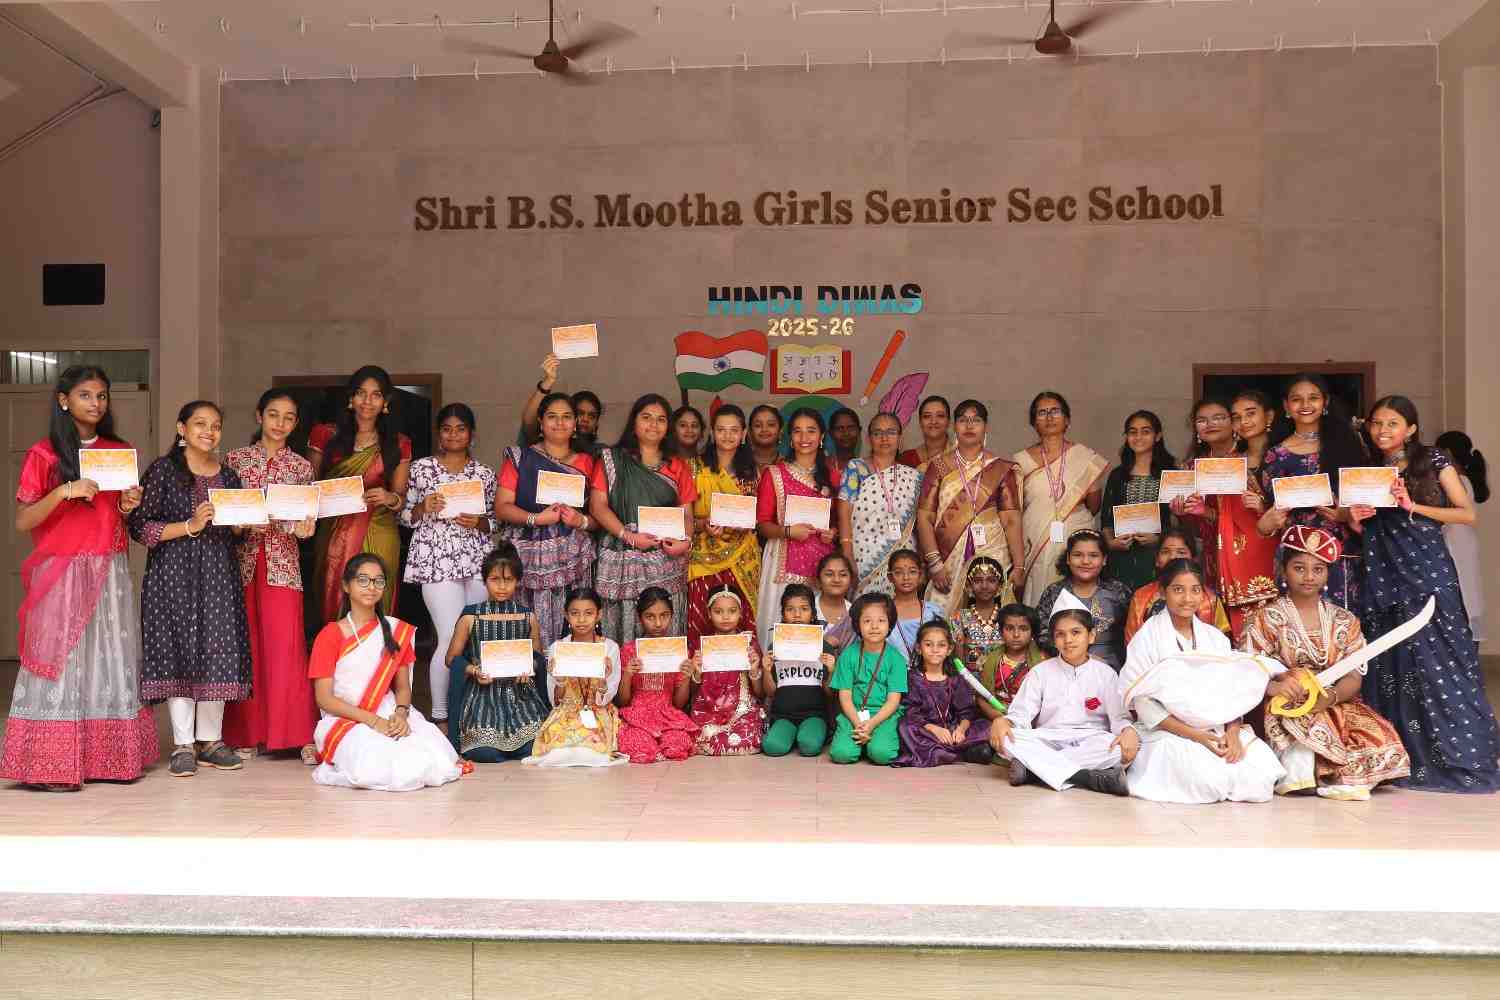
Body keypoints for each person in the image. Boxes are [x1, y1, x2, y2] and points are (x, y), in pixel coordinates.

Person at [1, 365, 156, 791]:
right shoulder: (45, 454)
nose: (95, 403)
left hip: (108, 566)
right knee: (60, 656)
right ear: (63, 400)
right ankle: (52, 764)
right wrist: (64, 491)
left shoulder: (118, 451)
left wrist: (127, 504)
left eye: (101, 395)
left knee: (108, 655)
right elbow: (23, 520)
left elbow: (117, 517)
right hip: (62, 568)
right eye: (85, 395)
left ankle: (110, 759)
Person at [1352, 396, 1500, 792]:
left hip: (1426, 570)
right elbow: (1363, 526)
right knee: (1393, 662)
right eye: (1376, 423)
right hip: (1383, 573)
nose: (1382, 430)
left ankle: (1459, 759)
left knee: (1441, 661)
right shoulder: (1368, 470)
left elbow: (1466, 513)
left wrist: (1412, 505)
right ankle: (1401, 758)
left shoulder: (1433, 459)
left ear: (1411, 429)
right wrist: (1355, 518)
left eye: (1392, 423)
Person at [129, 401, 254, 778]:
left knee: (218, 649)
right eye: (200, 424)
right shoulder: (164, 471)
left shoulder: (228, 476)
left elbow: (237, 534)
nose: (209, 432)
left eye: (215, 425)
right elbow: (140, 527)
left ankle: (211, 742)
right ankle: (183, 744)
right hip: (173, 576)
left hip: (218, 575)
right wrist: (190, 525)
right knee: (178, 650)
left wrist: (242, 526)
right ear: (181, 428)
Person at [1242, 527, 1411, 800]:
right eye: (1299, 568)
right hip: (1286, 702)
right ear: (1283, 571)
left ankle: (1339, 776)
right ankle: (1310, 773)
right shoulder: (1265, 618)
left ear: (1327, 574)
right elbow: (1249, 668)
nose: (1309, 577)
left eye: (1318, 569)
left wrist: (1330, 697)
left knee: (1379, 736)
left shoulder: (1345, 619)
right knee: (1305, 740)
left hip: (1334, 699)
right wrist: (1276, 688)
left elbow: (1353, 676)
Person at [1119, 559, 1300, 804]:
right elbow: (1143, 703)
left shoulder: (1215, 638)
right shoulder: (1147, 638)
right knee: (1207, 781)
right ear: (1162, 591)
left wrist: (1233, 734)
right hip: (1168, 730)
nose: (1187, 598)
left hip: (1216, 728)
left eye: (1195, 590)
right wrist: (1196, 736)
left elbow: (1232, 692)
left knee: (1258, 776)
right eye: (1178, 590)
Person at [307, 553, 464, 790]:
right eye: (363, 580)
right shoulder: (330, 635)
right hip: (345, 718)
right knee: (374, 763)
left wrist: (401, 714)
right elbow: (324, 698)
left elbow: (403, 689)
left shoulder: (395, 630)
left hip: (390, 713)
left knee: (430, 757)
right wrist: (373, 721)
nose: (371, 587)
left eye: (378, 581)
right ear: (346, 585)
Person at [223, 389, 318, 763]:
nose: (280, 423)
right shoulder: (235, 461)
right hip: (243, 564)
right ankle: (247, 734)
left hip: (283, 565)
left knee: (286, 647)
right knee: (246, 648)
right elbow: (225, 516)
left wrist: (307, 528)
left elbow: (305, 522)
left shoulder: (301, 467)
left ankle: (292, 735)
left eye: (288, 417)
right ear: (259, 415)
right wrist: (243, 525)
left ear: (296, 423)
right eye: (274, 414)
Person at [400, 403, 496, 726]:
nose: (453, 435)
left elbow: (496, 521)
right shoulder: (421, 469)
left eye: (460, 428)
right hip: (436, 560)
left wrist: (479, 522)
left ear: (472, 433)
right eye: (447, 429)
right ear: (438, 433)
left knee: (475, 636)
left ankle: (473, 712)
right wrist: (423, 507)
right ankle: (441, 715)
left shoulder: (484, 473)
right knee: (449, 635)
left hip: (477, 561)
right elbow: (404, 516)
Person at [987, 591, 1137, 795]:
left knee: (1121, 749)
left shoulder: (1106, 674)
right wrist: (1004, 721)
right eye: (1060, 634)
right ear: (1053, 639)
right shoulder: (1040, 672)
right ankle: (1088, 777)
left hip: (1091, 740)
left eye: (1076, 632)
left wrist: (1128, 730)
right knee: (1007, 739)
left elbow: (1119, 718)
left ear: (1091, 635)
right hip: (1048, 739)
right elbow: (1021, 714)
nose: (1068, 640)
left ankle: (1034, 772)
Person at [588, 394, 696, 645]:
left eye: (661, 419)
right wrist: (629, 536)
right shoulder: (612, 460)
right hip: (623, 556)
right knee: (624, 621)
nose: (653, 424)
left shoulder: (677, 466)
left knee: (662, 620)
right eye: (646, 417)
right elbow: (597, 505)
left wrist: (685, 541)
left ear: (668, 427)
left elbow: (687, 514)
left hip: (665, 559)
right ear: (634, 423)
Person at [308, 365, 411, 621]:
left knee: (376, 594)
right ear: (351, 398)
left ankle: (379, 645)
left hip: (379, 528)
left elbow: (400, 498)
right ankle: (338, 644)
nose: (367, 401)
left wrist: (389, 498)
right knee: (335, 593)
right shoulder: (325, 434)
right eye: (361, 393)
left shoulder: (398, 442)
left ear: (385, 402)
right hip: (335, 529)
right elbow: (308, 488)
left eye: (376, 395)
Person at [1258, 377, 1368, 612]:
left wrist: (1345, 514)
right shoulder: (1275, 454)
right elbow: (1272, 510)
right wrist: (1267, 523)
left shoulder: (1348, 444)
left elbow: (1364, 496)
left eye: (1313, 398)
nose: (1305, 405)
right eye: (1297, 399)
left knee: (1342, 623)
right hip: (1296, 554)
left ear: (1325, 402)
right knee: (1298, 623)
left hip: (1340, 551)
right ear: (1286, 406)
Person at [1172, 397, 1278, 640]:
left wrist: (1208, 512)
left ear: (1233, 423)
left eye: (1219, 418)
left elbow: (1261, 514)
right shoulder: (1190, 468)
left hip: (1251, 556)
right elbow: (1193, 529)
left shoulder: (1251, 460)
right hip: (1211, 557)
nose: (1210, 424)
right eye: (1202, 420)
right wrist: (1183, 512)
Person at [496, 391, 597, 645]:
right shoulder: (520, 458)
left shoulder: (589, 462)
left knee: (574, 624)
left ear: (575, 424)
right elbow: (502, 507)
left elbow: (600, 515)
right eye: (552, 416)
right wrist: (536, 518)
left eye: (566, 416)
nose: (559, 423)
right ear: (540, 423)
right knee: (528, 628)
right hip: (527, 555)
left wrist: (581, 521)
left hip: (572, 556)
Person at [917, 399, 1024, 617]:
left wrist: (1019, 565)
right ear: (954, 426)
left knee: (993, 619)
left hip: (992, 553)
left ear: (986, 427)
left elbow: (1011, 520)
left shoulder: (1000, 468)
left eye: (976, 420)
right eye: (963, 420)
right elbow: (925, 517)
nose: (969, 425)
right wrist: (935, 563)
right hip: (948, 560)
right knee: (942, 620)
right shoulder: (939, 466)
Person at [443, 544, 550, 762]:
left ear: (517, 581)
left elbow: (537, 657)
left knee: (535, 746)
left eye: (508, 580)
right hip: (483, 695)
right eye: (495, 579)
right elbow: (451, 658)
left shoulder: (527, 617)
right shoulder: (471, 616)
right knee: (484, 752)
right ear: (484, 581)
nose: (502, 586)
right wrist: (474, 671)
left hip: (520, 695)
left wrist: (529, 669)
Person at [755, 407, 840, 650]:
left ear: (822, 436)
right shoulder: (774, 474)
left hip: (821, 566)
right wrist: (788, 532)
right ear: (789, 438)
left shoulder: (833, 477)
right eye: (797, 431)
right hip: (782, 564)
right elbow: (762, 524)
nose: (804, 438)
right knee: (781, 628)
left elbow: (837, 523)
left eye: (811, 431)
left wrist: (832, 533)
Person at [1014, 392, 1109, 605]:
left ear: (1067, 419)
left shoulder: (1084, 457)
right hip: (1035, 538)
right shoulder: (1020, 460)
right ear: (1033, 422)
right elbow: (1016, 508)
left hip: (1076, 533)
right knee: (1038, 595)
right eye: (1042, 412)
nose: (1049, 417)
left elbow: (1094, 505)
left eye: (1055, 411)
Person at [526, 587, 627, 768]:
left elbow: (606, 697)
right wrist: (559, 679)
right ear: (566, 615)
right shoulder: (558, 647)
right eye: (575, 613)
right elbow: (555, 701)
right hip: (566, 712)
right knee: (558, 749)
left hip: (597, 710)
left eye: (588, 613)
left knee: (592, 748)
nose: (581, 620)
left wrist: (603, 679)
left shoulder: (609, 647)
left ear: (598, 615)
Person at [687, 404, 761, 644]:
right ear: (712, 432)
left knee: (741, 618)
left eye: (734, 430)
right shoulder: (693, 468)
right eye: (721, 430)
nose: (727, 436)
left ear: (744, 433)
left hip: (743, 556)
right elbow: (682, 517)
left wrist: (746, 522)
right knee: (702, 618)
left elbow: (759, 517)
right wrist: (703, 524)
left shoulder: (753, 472)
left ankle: (744, 668)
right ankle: (701, 667)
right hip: (702, 557)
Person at [837, 412, 922, 597]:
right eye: (878, 433)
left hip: (904, 560)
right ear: (869, 438)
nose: (884, 438)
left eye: (891, 432)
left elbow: (920, 523)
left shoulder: (913, 476)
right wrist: (847, 553)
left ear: (900, 437)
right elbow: (843, 513)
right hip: (864, 557)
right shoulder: (856, 468)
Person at [894, 620, 994, 767]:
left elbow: (966, 712)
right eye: (929, 645)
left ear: (949, 649)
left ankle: (949, 750)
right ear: (919, 648)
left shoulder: (956, 679)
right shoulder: (913, 678)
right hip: (927, 730)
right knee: (905, 727)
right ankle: (962, 752)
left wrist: (961, 730)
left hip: (953, 729)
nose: (935, 650)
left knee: (987, 725)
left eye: (941, 645)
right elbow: (912, 712)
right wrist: (935, 729)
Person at [616, 588, 698, 764]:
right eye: (650, 616)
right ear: (639, 618)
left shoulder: (678, 651)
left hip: (669, 717)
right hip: (637, 716)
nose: (658, 623)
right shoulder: (629, 650)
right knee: (639, 747)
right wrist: (628, 675)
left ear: (672, 615)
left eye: (664, 615)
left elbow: (679, 704)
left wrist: (685, 677)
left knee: (678, 745)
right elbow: (623, 702)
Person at [1035, 529, 1133, 669]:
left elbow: (1133, 632)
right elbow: (1042, 634)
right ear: (1068, 558)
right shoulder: (1054, 592)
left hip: (1112, 670)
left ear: (1104, 560)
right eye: (1078, 555)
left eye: (1093, 555)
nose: (1085, 561)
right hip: (1064, 668)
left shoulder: (1118, 592)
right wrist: (1080, 658)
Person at [828, 593, 907, 765]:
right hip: (853, 714)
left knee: (882, 754)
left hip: (883, 716)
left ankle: (870, 743)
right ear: (857, 624)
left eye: (881, 620)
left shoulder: (896, 659)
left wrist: (871, 724)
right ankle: (862, 742)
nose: (874, 626)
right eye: (867, 621)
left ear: (890, 624)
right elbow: (845, 697)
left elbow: (893, 701)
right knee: (841, 754)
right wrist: (858, 724)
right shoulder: (848, 655)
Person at [1100, 410, 1174, 592]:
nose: (1138, 437)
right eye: (1133, 432)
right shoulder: (1118, 475)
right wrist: (1111, 543)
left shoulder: (1170, 473)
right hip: (1122, 557)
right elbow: (1106, 520)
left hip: (1157, 557)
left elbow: (1181, 521)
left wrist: (1159, 539)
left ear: (1158, 436)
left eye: (1145, 431)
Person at [688, 584, 766, 756]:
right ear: (709, 613)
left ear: (740, 613)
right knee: (698, 735)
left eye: (732, 611)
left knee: (749, 736)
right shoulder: (703, 646)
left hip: (742, 711)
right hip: (709, 710)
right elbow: (692, 692)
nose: (725, 617)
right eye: (718, 611)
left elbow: (760, 693)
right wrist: (697, 673)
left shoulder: (749, 643)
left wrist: (754, 670)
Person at [760, 584, 835, 757]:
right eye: (790, 609)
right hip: (783, 716)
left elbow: (830, 694)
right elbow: (770, 692)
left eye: (804, 609)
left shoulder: (824, 648)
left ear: (813, 614)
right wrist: (766, 670)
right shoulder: (775, 647)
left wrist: (831, 671)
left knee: (809, 746)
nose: (797, 614)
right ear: (783, 615)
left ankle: (806, 734)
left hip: (814, 715)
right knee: (772, 747)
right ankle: (791, 734)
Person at [1122, 527, 1231, 644]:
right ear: (1157, 560)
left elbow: (1222, 643)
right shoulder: (1141, 597)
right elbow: (1132, 643)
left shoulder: (1210, 600)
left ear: (1193, 559)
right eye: (1165, 552)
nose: (1172, 557)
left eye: (1181, 552)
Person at [1435, 430, 1488, 643]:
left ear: (1447, 452)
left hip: (1456, 542)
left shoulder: (1456, 480)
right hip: (1462, 541)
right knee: (1468, 593)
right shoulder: (1465, 479)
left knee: (1463, 595)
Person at [517, 353, 604, 454]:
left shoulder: (600, 453)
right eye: (580, 413)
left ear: (597, 424)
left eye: (592, 416)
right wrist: (548, 381)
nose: (585, 419)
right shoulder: (542, 447)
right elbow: (529, 422)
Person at [973, 604, 1045, 720]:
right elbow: (981, 698)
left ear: (1032, 633)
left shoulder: (1042, 662)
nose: (1016, 635)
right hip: (996, 718)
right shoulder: (988, 659)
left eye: (1023, 629)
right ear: (1001, 632)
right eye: (1009, 628)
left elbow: (1047, 701)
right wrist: (997, 717)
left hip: (1030, 721)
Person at [887, 548, 945, 661]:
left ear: (920, 575)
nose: (906, 577)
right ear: (890, 577)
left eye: (912, 572)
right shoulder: (883, 612)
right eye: (898, 572)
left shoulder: (933, 612)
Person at [952, 557, 1008, 671]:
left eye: (991, 580)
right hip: (970, 680)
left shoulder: (1008, 617)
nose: (984, 586)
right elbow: (958, 665)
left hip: (1004, 679)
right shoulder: (958, 619)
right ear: (968, 586)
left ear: (1000, 586)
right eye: (978, 581)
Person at [815, 551, 858, 653]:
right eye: (829, 574)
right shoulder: (806, 609)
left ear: (851, 580)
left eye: (843, 574)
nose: (836, 579)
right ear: (818, 580)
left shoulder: (855, 614)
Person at [898, 395, 951, 474]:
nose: (933, 421)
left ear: (948, 421)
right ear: (920, 422)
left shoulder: (960, 458)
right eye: (927, 416)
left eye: (940, 416)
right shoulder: (906, 459)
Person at [748, 404, 784, 477]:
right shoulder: (738, 465)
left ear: (780, 432)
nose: (764, 429)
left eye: (771, 425)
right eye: (758, 425)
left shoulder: (789, 467)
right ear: (750, 432)